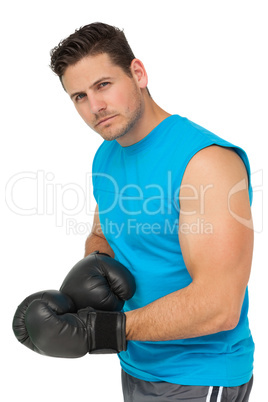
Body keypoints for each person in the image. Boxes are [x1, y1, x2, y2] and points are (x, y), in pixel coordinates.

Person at [49, 22, 254, 401]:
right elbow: (104, 228)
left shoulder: (204, 162)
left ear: (138, 74)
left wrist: (100, 331)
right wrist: (96, 260)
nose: (95, 106)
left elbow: (220, 305)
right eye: (79, 96)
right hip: (136, 365)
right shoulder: (107, 155)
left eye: (103, 85)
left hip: (201, 373)